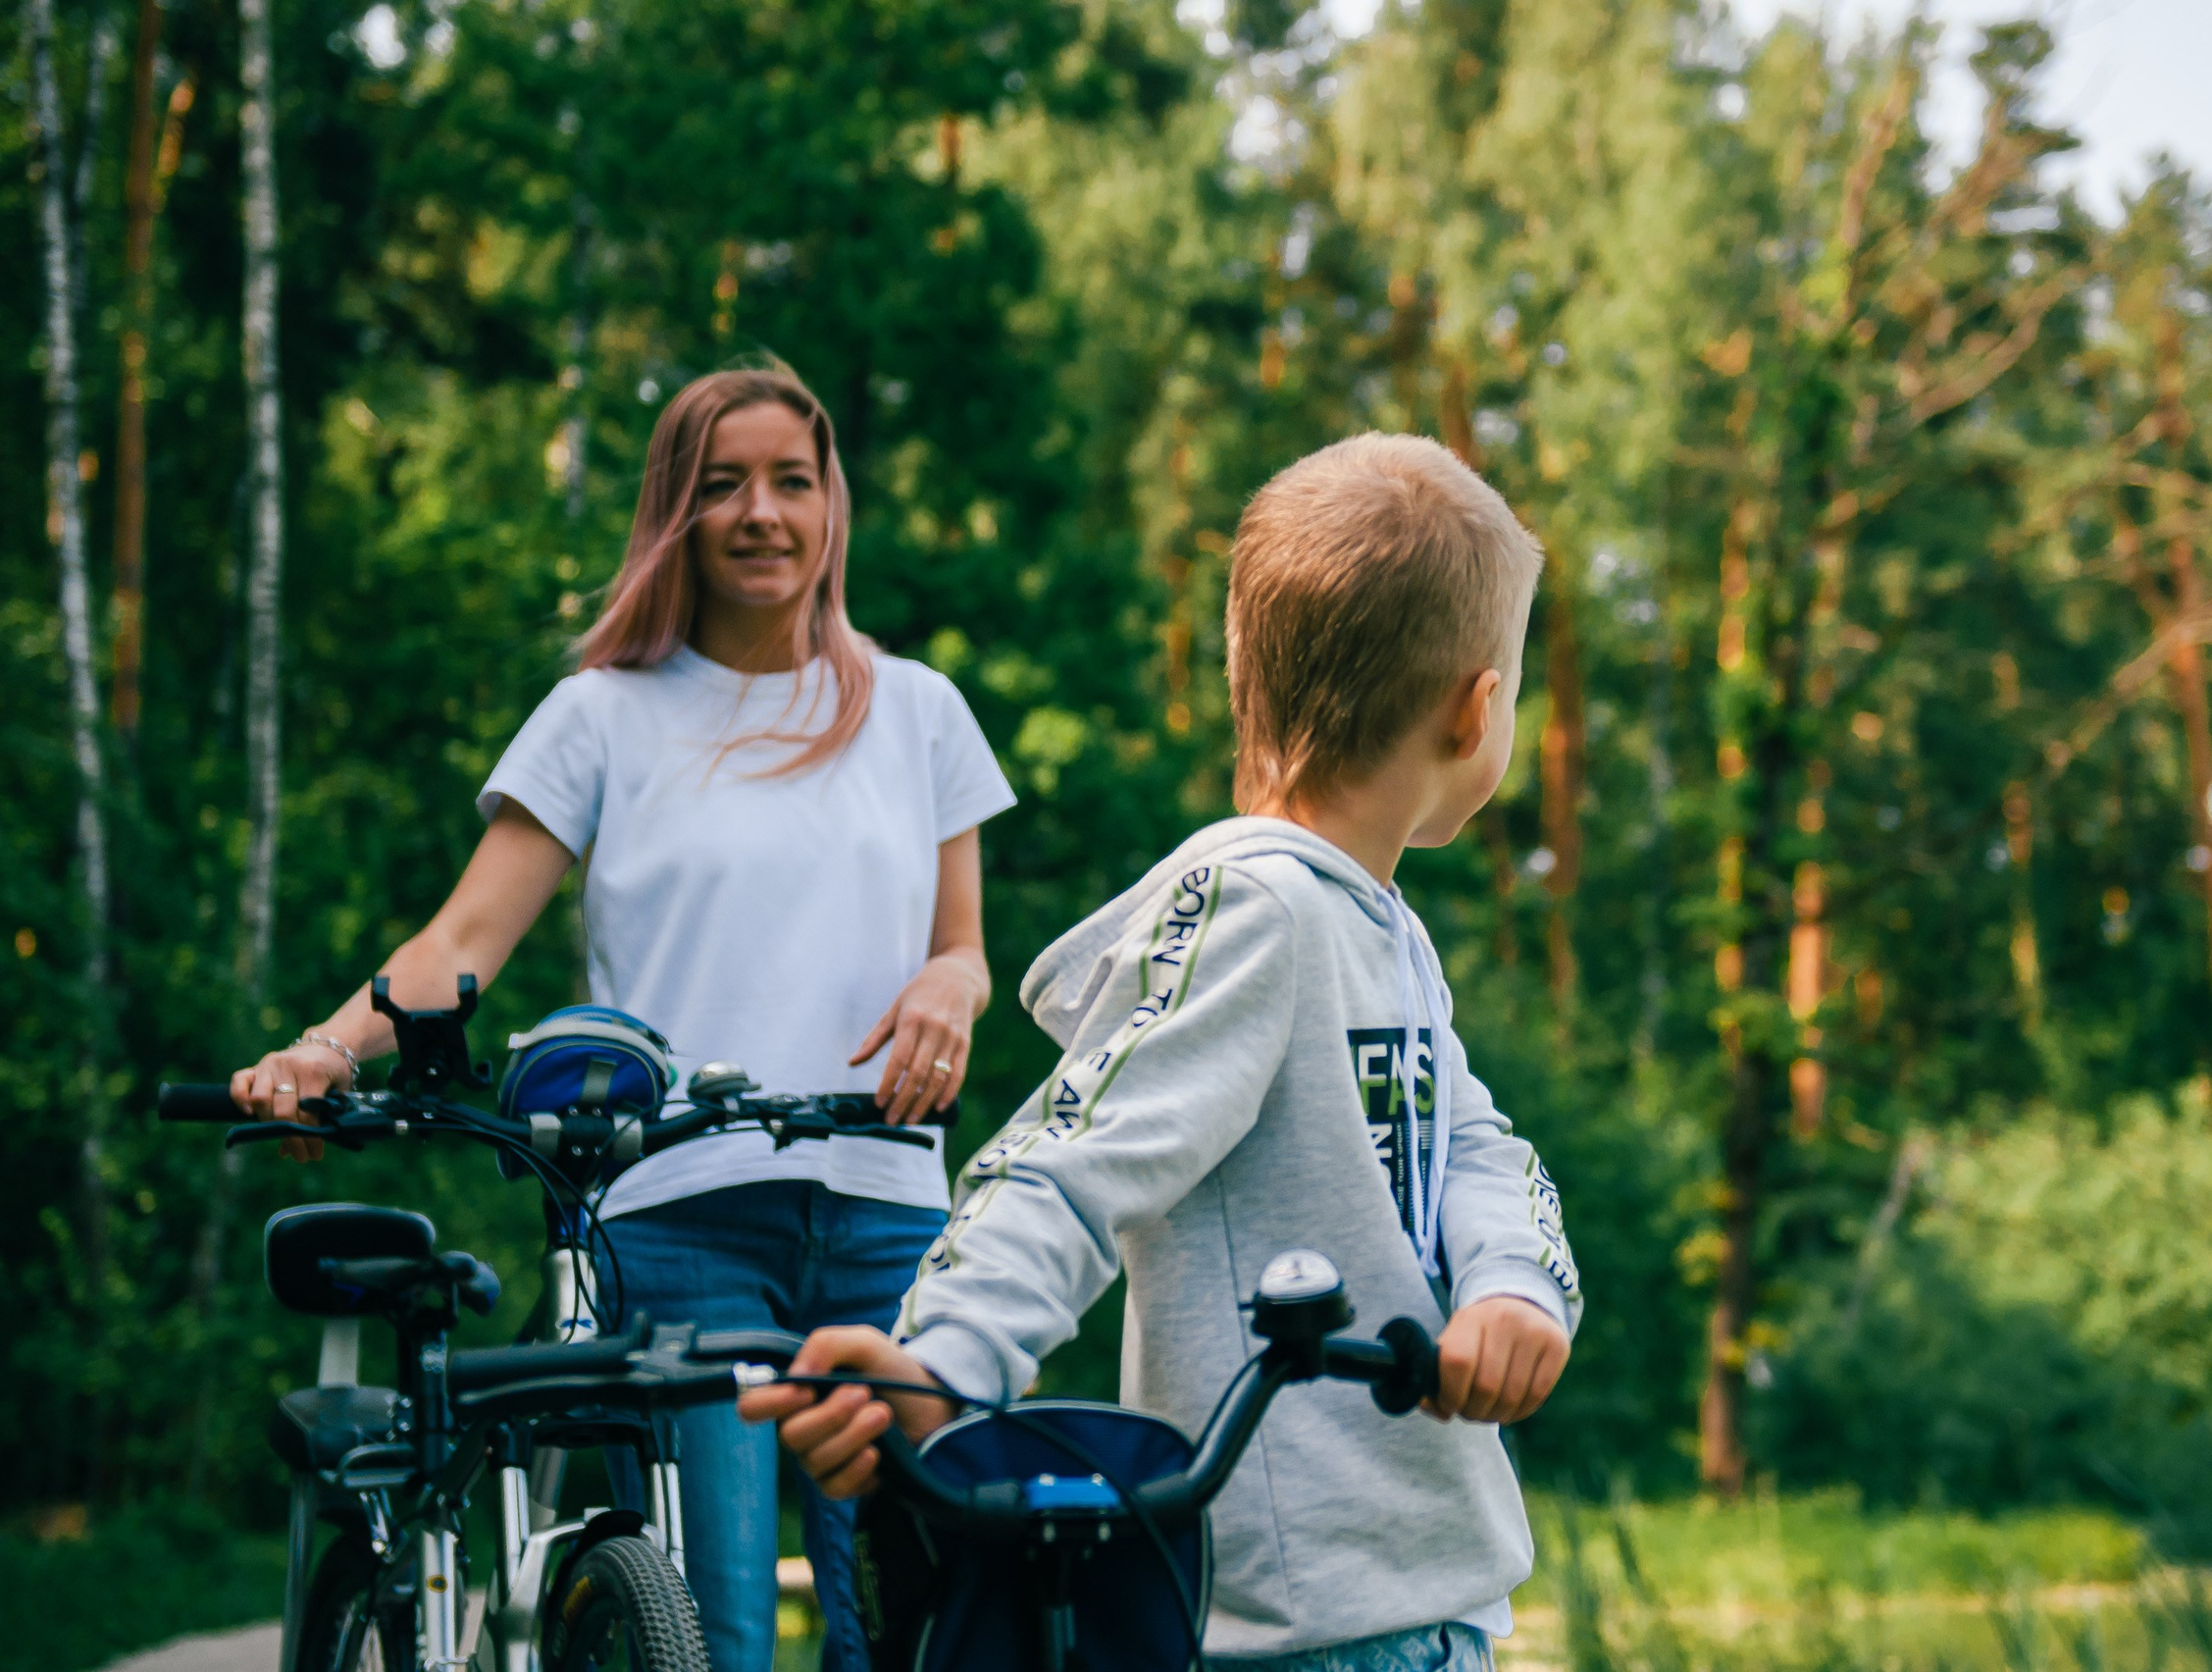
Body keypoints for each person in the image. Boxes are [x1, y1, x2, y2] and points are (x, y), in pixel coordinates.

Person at [742, 433, 1581, 1669]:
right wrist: (939, 1367)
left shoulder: (1379, 925)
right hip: (1306, 1629)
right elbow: (1075, 1155)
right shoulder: (1262, 914)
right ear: (1479, 707)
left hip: (1418, 1599)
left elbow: (1470, 1137)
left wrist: (1513, 1282)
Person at [229, 364, 1016, 1672]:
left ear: (833, 508)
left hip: (890, 1209)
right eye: (722, 485)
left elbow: (967, 951)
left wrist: (954, 981)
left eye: (791, 481)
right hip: (683, 1218)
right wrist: (321, 1049)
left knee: (911, 1626)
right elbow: (461, 944)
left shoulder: (920, 711)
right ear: (675, 515)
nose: (760, 513)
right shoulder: (604, 715)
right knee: (717, 1636)